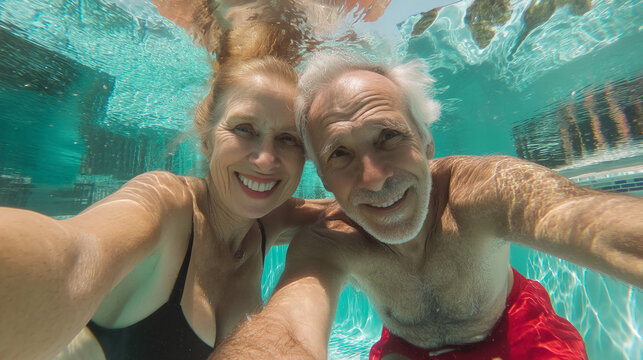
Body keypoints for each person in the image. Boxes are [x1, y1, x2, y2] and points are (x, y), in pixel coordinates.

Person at [209, 51, 643, 360]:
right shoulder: (330, 241)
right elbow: (285, 328)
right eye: (340, 154)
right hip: (408, 348)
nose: (374, 177)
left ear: (427, 141)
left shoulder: (486, 191)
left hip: (517, 327)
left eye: (389, 137)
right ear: (322, 176)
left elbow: (600, 227)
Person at [0, 55, 330, 360]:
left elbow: (351, 209)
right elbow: (72, 257)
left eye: (289, 139)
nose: (265, 159)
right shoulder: (165, 206)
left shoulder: (266, 221)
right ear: (208, 138)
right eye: (244, 129)